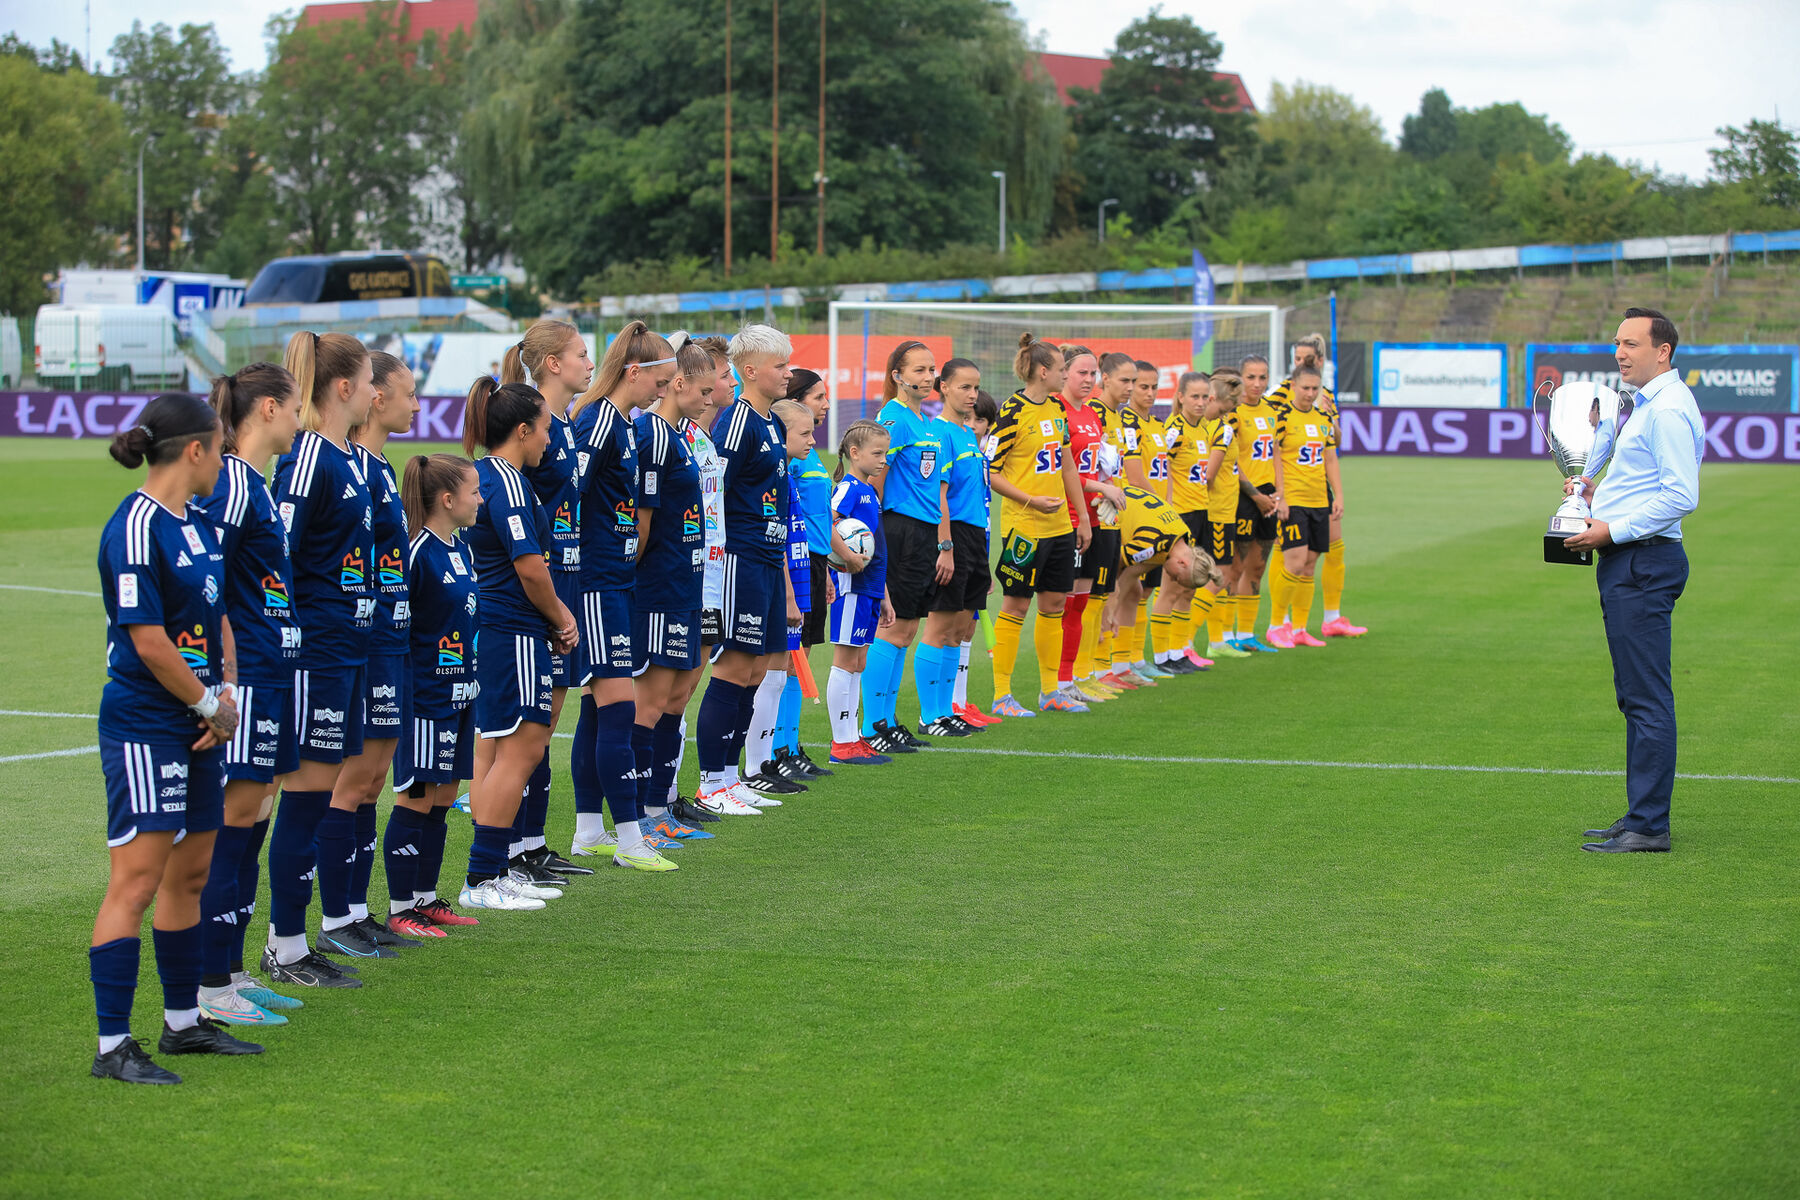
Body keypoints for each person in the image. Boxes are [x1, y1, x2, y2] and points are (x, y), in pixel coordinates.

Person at [91, 394, 262, 1085]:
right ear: (194, 451)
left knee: (190, 874)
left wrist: (227, 694)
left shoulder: (197, 524)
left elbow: (217, 619)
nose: (223, 461)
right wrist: (204, 704)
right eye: (219, 449)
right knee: (136, 882)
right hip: (147, 723)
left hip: (199, 722)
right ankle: (112, 1047)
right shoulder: (134, 527)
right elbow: (148, 639)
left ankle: (184, 1024)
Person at [1564, 307, 1705, 853]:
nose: (1619, 353)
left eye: (1631, 343)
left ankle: (1649, 825)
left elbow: (1680, 496)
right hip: (1634, 556)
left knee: (1646, 698)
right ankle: (1640, 815)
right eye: (1616, 343)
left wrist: (1611, 529)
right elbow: (1648, 483)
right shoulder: (1647, 406)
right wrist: (1596, 496)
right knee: (1636, 697)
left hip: (1643, 560)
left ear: (1662, 350)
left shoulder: (1666, 410)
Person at [192, 365, 305, 1026]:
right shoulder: (233, 481)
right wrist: (226, 673)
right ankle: (210, 986)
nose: (298, 421)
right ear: (267, 409)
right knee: (232, 828)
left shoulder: (254, 483)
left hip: (276, 670)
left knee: (256, 817)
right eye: (293, 409)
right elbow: (208, 576)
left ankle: (231, 970)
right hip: (251, 678)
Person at [263, 331, 376, 987]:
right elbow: (275, 553)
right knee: (304, 801)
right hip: (317, 653)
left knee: (319, 795)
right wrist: (288, 638)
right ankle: (284, 945)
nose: (373, 392)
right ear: (342, 388)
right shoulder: (309, 457)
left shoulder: (348, 458)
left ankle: (294, 940)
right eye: (366, 382)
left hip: (348, 649)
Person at [569, 321, 686, 867]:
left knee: (599, 709)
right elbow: (570, 497)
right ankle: (632, 841)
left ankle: (589, 832)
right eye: (660, 378)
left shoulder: (621, 422)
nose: (664, 389)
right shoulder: (597, 424)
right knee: (616, 710)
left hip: (617, 581)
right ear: (635, 373)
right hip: (595, 584)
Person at [459, 378, 578, 906]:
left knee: (495, 747)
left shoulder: (494, 477)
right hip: (512, 628)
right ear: (523, 430)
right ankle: (484, 876)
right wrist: (562, 618)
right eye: (546, 430)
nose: (549, 442)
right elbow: (529, 567)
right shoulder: (505, 481)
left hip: (500, 628)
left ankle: (490, 869)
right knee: (524, 745)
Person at [329, 351, 423, 952]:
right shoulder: (348, 466)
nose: (417, 405)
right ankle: (335, 917)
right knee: (352, 780)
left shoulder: (381, 467)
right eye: (408, 394)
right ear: (374, 398)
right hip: (361, 642)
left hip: (392, 638)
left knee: (372, 780)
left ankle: (357, 911)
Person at [693, 324, 800, 813]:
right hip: (738, 558)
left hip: (766, 559)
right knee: (735, 668)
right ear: (750, 370)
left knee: (757, 670)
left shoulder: (773, 423)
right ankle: (712, 781)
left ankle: (730, 777)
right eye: (780, 365)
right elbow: (712, 491)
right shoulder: (736, 423)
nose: (789, 372)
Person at [505, 320, 597, 877]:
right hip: (536, 582)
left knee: (548, 717)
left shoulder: (565, 422)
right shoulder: (533, 418)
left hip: (570, 574)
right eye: (582, 354)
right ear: (552, 364)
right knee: (530, 724)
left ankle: (532, 842)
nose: (590, 363)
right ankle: (511, 847)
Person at [385, 453, 484, 934]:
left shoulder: (460, 548)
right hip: (426, 699)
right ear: (447, 500)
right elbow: (400, 629)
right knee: (417, 798)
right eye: (474, 492)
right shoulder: (416, 552)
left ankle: (425, 899)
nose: (480, 499)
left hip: (463, 693)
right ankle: (401, 907)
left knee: (444, 796)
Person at [632, 340, 723, 847]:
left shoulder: (681, 437)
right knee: (649, 706)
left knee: (670, 701)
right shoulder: (651, 434)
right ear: (679, 382)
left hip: (684, 582)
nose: (710, 400)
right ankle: (638, 820)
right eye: (704, 390)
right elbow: (641, 524)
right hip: (659, 587)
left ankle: (655, 809)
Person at [987, 333, 1089, 718]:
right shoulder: (1011, 412)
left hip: (1060, 526)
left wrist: (1079, 518)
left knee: (1055, 605)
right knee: (1015, 607)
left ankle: (1051, 691)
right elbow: (990, 472)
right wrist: (1031, 500)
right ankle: (1002, 695)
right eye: (1063, 369)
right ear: (1043, 371)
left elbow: (1066, 464)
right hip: (1023, 529)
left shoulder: (1058, 410)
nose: (1066, 375)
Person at [867, 340, 953, 747]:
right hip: (899, 529)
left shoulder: (924, 420)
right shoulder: (894, 418)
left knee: (906, 630)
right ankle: (873, 725)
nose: (928, 376)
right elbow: (877, 481)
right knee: (893, 628)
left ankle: (887, 720)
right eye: (918, 370)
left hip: (922, 532)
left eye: (931, 369)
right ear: (897, 375)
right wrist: (879, 532)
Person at [744, 398, 822, 780]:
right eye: (804, 433)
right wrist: (790, 593)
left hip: (797, 580)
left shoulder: (788, 476)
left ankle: (766, 760)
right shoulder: (774, 477)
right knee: (769, 672)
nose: (812, 440)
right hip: (779, 582)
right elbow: (773, 539)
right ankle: (754, 765)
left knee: (779, 672)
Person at [769, 368, 841, 781]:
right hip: (791, 564)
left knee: (802, 657)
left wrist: (828, 566)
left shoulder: (809, 453)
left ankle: (790, 745)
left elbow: (811, 519)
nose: (826, 405)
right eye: (818, 397)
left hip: (812, 562)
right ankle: (777, 747)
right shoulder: (789, 455)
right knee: (787, 659)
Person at [1269, 334, 1365, 637]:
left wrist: (1330, 419)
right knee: (1287, 552)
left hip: (1317, 485)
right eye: (1297, 360)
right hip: (1287, 485)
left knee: (1329, 549)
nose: (1300, 364)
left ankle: (1328, 618)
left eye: (1307, 360)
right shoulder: (1278, 396)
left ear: (1320, 362)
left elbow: (1332, 444)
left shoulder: (1324, 397)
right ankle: (1280, 622)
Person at [919, 359, 991, 736]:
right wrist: (944, 546)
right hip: (955, 535)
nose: (972, 395)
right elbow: (940, 496)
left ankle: (946, 710)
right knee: (941, 626)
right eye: (965, 387)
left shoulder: (967, 433)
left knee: (962, 627)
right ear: (943, 387)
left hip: (975, 535)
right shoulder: (940, 433)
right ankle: (929, 715)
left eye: (976, 388)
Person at [825, 421, 894, 765]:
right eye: (876, 453)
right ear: (855, 453)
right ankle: (842, 744)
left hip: (870, 588)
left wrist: (884, 596)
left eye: (885, 452)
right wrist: (846, 558)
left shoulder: (871, 491)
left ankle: (854, 737)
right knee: (846, 660)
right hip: (851, 586)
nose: (883, 460)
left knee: (859, 661)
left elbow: (876, 548)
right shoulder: (848, 488)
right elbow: (828, 522)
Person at [1079, 352, 1145, 696]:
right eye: (1125, 380)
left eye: (1134, 381)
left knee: (1106, 592)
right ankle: (1084, 672)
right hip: (1091, 515)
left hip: (1113, 515)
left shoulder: (1124, 419)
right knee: (1091, 595)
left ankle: (1100, 668)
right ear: (1104, 378)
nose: (1130, 388)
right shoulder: (1094, 415)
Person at [1049, 345, 1110, 711]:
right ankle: (1054, 682)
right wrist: (1101, 487)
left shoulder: (1091, 415)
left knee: (1080, 605)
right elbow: (1061, 471)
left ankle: (1070, 680)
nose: (1089, 380)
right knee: (1059, 604)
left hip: (1093, 517)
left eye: (1093, 374)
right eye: (1082, 373)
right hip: (1066, 519)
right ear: (1063, 374)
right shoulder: (1057, 413)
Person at [1266, 365, 1341, 649]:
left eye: (1315, 389)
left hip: (1319, 500)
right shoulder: (1282, 418)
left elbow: (1330, 459)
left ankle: (1299, 628)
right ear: (1293, 386)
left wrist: (1339, 497)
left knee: (1309, 566)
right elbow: (1273, 458)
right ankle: (1276, 625)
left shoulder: (1324, 419)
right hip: (1293, 500)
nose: (1310, 394)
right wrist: (1280, 496)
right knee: (1294, 563)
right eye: (1305, 388)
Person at [1099, 487, 1223, 658]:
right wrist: (1109, 612)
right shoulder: (1153, 543)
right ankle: (1098, 665)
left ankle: (1123, 665)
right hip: (1099, 510)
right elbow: (1114, 566)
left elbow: (1131, 573)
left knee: (1135, 592)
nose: (1172, 578)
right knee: (1097, 599)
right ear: (1182, 562)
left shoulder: (1181, 535)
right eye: (1177, 577)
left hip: (1114, 507)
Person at [1152, 370, 1219, 673]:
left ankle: (1180, 650)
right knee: (1170, 586)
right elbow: (1161, 467)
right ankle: (1162, 656)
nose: (1201, 402)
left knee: (1189, 587)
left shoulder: (1204, 429)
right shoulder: (1174, 431)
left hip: (1201, 512)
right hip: (1179, 517)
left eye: (1205, 397)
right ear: (1180, 397)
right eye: (1195, 396)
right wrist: (1168, 512)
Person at [951, 390, 1002, 729]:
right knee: (953, 628)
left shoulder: (981, 458)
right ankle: (950, 704)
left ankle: (961, 700)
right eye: (968, 418)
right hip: (957, 547)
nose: (973, 425)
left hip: (977, 547)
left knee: (968, 629)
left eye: (980, 420)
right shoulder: (957, 450)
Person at [1226, 354, 1282, 652]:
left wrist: (1278, 492)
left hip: (1269, 497)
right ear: (1241, 378)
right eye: (1251, 377)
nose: (1257, 384)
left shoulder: (1272, 411)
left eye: (1263, 377)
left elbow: (1275, 453)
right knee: (1234, 569)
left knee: (1258, 568)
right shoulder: (1234, 413)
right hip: (1244, 498)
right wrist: (1256, 496)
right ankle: (1224, 636)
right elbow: (1231, 459)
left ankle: (1247, 634)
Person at [1200, 371, 1252, 661]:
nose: (1228, 413)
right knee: (1218, 575)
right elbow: (1208, 475)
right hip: (1217, 511)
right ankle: (1204, 641)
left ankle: (1215, 640)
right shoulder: (1219, 429)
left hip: (1218, 509)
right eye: (1227, 408)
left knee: (1220, 575)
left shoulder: (1200, 426)